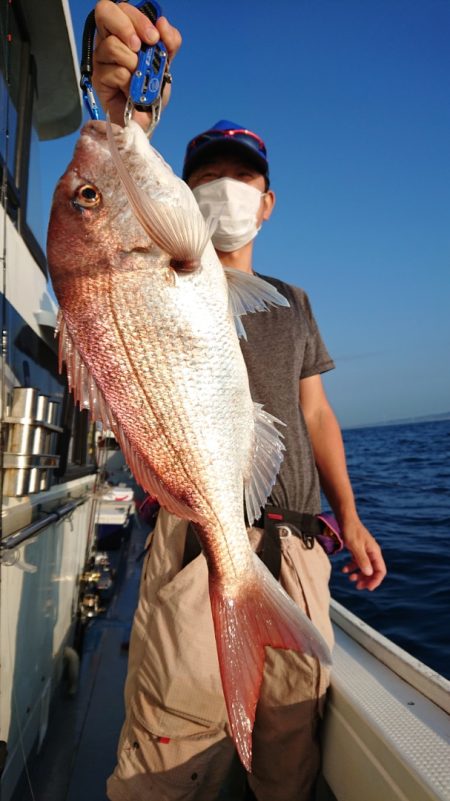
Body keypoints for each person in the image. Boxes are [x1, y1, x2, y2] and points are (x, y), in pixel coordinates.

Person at [92, 4, 387, 800]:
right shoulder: (163, 272)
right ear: (178, 195)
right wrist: (122, 109)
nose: (226, 187)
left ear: (268, 202)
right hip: (197, 547)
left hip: (294, 553)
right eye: (207, 176)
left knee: (288, 758)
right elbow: (116, 212)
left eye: (244, 175)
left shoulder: (292, 299)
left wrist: (350, 516)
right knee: (167, 763)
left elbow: (315, 413)